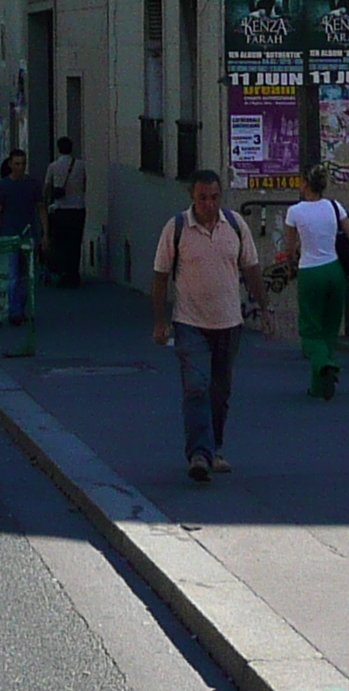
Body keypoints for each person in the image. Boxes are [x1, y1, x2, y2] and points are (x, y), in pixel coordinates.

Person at [152, 168, 264, 482]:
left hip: (229, 322)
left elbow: (251, 267)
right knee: (196, 387)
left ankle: (214, 447)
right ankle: (199, 454)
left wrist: (264, 308)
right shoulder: (176, 229)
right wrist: (160, 322)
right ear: (192, 198)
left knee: (220, 390)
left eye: (214, 197)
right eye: (203, 198)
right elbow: (160, 277)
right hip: (190, 322)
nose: (209, 204)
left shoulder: (236, 226)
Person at [283, 165, 349, 400]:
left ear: (305, 184)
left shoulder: (295, 212)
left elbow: (289, 250)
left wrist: (291, 262)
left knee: (310, 330)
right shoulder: (334, 207)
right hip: (334, 270)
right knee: (329, 328)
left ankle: (325, 364)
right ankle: (321, 387)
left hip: (310, 272)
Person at [0, 149, 43, 326]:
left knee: (26, 276)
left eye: (23, 164)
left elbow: (40, 209)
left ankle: (20, 309)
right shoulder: (3, 186)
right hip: (9, 236)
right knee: (13, 275)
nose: (20, 167)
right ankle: (15, 311)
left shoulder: (33, 184)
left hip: (28, 235)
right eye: (17, 164)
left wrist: (44, 234)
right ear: (10, 164)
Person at [43, 135, 88, 285]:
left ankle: (63, 272)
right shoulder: (80, 165)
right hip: (78, 209)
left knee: (61, 242)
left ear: (58, 149)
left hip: (60, 210)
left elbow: (47, 187)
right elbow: (84, 186)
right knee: (75, 242)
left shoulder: (53, 166)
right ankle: (74, 273)